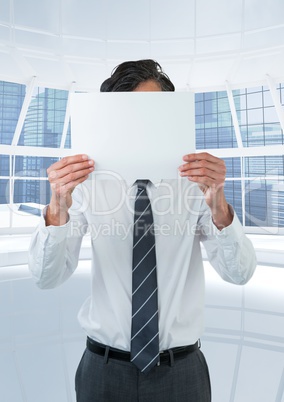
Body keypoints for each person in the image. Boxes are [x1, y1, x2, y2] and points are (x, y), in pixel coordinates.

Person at [28, 59, 257, 402]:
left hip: (181, 373)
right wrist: (58, 206)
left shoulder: (197, 186)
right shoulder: (85, 187)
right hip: (104, 369)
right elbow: (47, 277)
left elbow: (239, 274)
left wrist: (219, 206)